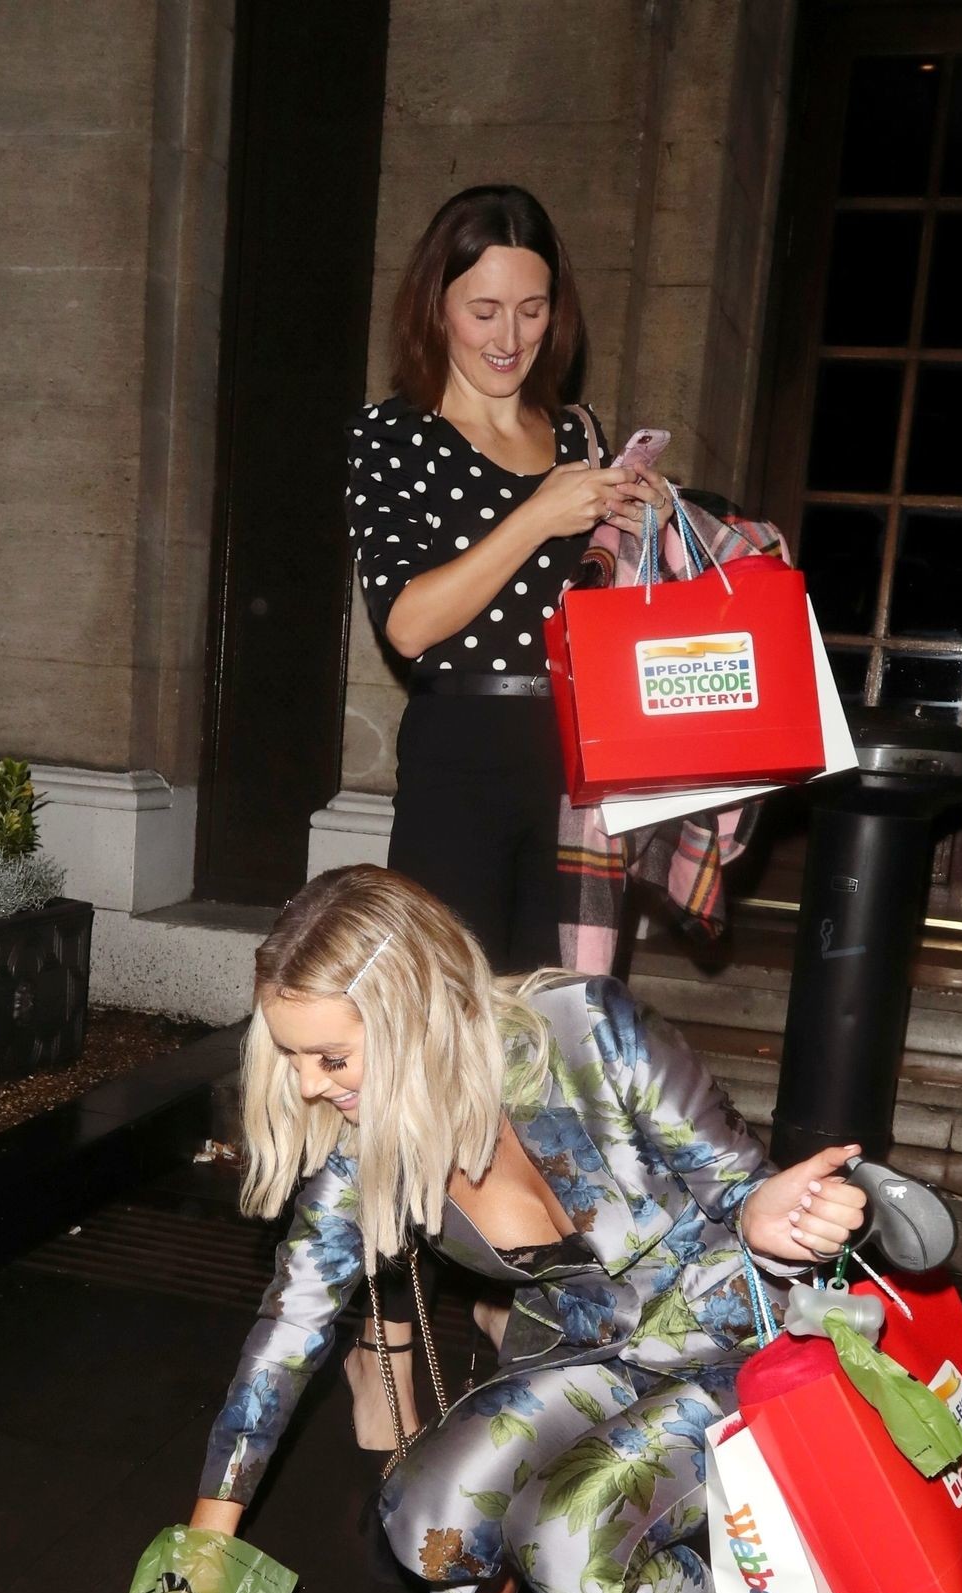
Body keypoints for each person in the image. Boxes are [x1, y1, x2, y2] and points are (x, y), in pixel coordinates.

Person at [190, 866, 867, 1593]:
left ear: (414, 1018)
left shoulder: (585, 1031)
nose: (310, 1085)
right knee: (425, 1524)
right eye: (290, 1057)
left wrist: (774, 1217)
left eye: (330, 1058)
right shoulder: (367, 1143)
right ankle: (498, 1580)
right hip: (589, 1350)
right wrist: (207, 1542)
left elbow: (739, 1187)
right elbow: (290, 1326)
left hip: (732, 1347)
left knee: (569, 1543)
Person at [341, 183, 671, 1446]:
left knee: (550, 1062)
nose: (509, 334)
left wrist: (635, 526)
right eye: (484, 308)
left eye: (532, 308)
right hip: (464, 757)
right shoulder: (395, 435)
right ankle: (384, 1334)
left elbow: (603, 596)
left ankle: (505, 1310)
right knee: (425, 1060)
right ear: (437, 305)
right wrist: (536, 514)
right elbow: (410, 623)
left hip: (577, 768)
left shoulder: (575, 430)